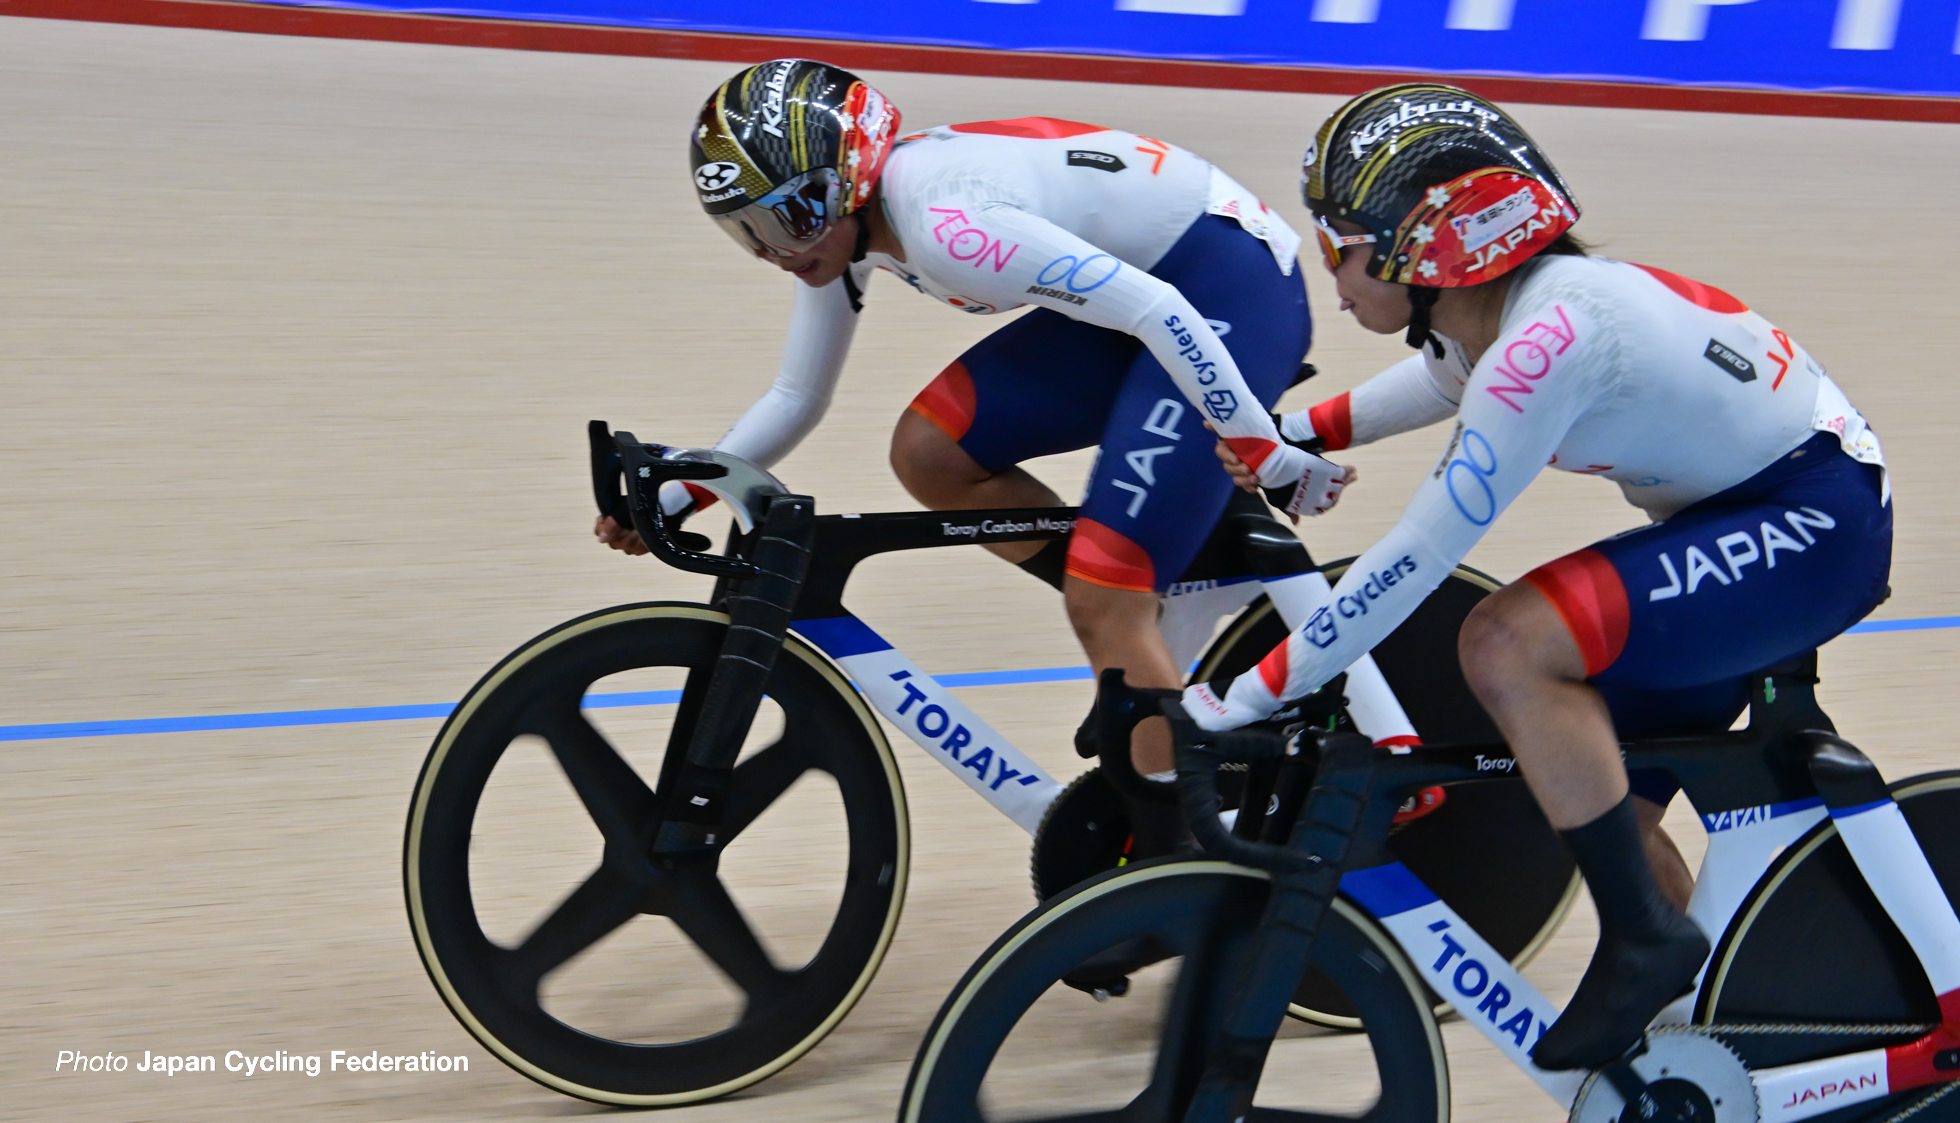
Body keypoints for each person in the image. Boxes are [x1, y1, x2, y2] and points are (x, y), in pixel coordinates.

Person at [1176, 83, 1891, 1069]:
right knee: (1598, 808)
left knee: (1507, 640)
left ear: (1422, 243)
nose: (1327, 268)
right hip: (1748, 513)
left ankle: (1649, 939)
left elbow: (1417, 556)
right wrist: (1296, 431)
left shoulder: (1552, 343)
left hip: (1811, 521)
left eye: (1338, 240)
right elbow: (1441, 375)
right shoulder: (1502, 316)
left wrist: (1236, 694)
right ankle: (1715, 1047)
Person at [597, 58, 1348, 804]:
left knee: (1101, 597)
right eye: (747, 232)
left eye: (784, 221)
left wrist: (1263, 448)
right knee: (930, 453)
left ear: (849, 179)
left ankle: (1168, 843)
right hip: (1145, 288)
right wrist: (681, 495)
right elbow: (797, 394)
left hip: (1224, 287)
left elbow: (1161, 315)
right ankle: (1146, 615)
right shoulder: (847, 228)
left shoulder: (951, 229)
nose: (775, 252)